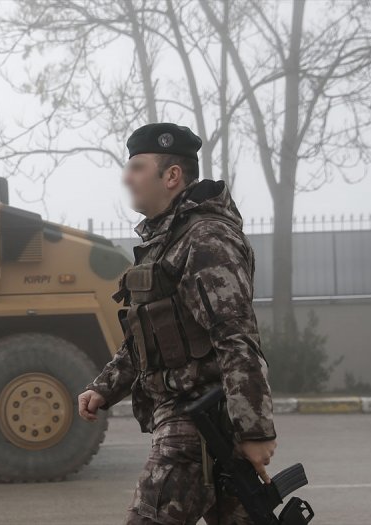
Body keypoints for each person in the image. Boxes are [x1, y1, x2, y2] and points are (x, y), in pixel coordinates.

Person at [77, 123, 277, 524]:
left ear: (171, 176)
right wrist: (105, 387)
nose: (126, 178)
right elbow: (151, 334)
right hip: (192, 419)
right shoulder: (168, 241)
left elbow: (235, 336)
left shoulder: (206, 239)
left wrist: (254, 430)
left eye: (137, 167)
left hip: (198, 422)